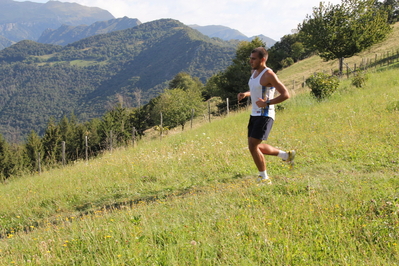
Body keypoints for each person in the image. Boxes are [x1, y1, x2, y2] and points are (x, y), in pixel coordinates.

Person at [237, 47, 295, 184]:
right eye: (250, 58)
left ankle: (264, 178)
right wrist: (246, 94)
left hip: (265, 114)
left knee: (252, 145)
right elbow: (256, 89)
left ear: (262, 59)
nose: (250, 61)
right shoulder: (254, 72)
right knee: (253, 146)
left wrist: (267, 103)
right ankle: (286, 155)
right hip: (254, 114)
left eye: (253, 58)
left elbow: (285, 94)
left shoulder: (269, 74)